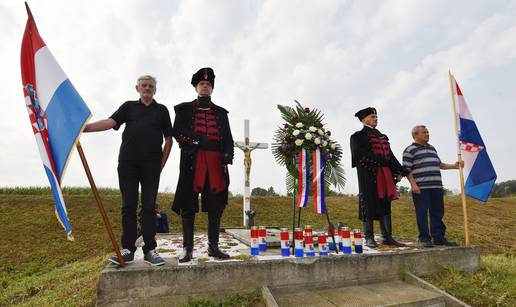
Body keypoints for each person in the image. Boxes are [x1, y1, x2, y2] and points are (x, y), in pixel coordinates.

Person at [83, 75, 173, 266]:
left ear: (155, 90)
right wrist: (85, 128)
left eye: (151, 86)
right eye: (144, 85)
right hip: (128, 164)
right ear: (137, 88)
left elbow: (169, 140)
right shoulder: (128, 106)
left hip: (151, 166)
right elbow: (110, 122)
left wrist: (161, 165)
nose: (147, 88)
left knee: (149, 207)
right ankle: (128, 250)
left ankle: (150, 249)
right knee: (128, 207)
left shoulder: (162, 110)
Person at [172, 67, 234, 262]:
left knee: (216, 205)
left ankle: (213, 247)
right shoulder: (183, 109)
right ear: (196, 88)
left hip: (216, 164)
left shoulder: (222, 113)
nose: (205, 86)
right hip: (193, 161)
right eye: (202, 84)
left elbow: (228, 138)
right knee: (188, 205)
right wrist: (198, 140)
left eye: (208, 84)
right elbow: (178, 132)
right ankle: (187, 248)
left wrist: (226, 156)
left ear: (212, 88)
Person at [350, 107, 407, 248]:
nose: (375, 119)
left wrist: (401, 170)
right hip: (368, 174)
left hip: (385, 175)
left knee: (385, 203)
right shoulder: (357, 136)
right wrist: (381, 161)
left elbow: (390, 156)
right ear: (364, 120)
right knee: (368, 203)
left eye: (376, 116)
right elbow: (359, 154)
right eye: (372, 116)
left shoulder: (382, 136)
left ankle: (387, 237)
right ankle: (369, 237)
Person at [403, 125, 460, 248]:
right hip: (421, 188)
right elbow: (407, 170)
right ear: (415, 135)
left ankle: (439, 238)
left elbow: (440, 165)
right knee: (422, 213)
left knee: (438, 213)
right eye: (424, 132)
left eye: (428, 132)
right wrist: (413, 185)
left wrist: (454, 166)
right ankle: (424, 239)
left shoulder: (432, 148)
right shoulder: (409, 150)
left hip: (436, 187)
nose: (427, 134)